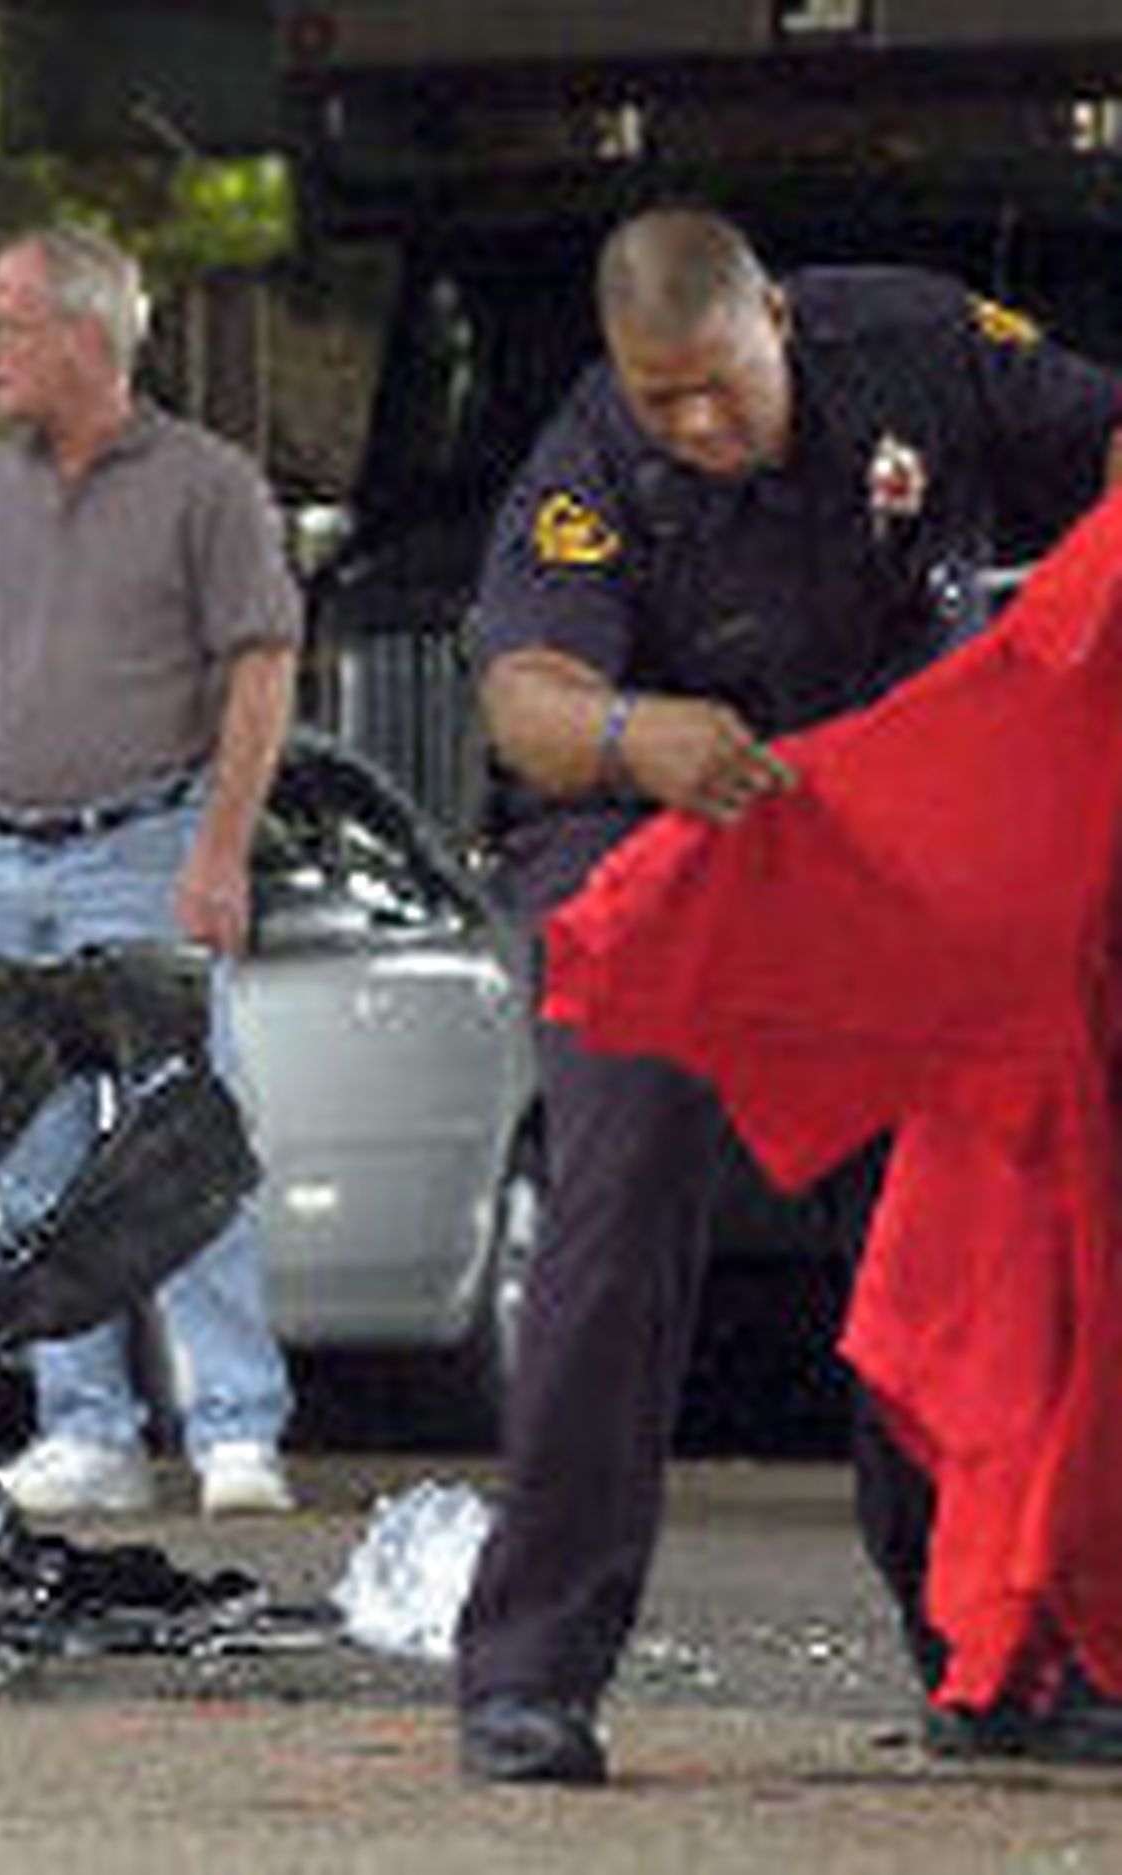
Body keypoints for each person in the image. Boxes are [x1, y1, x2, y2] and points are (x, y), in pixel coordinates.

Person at [458, 205, 1122, 1784]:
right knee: (614, 1214)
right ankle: (529, 1670)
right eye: (656, 396)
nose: (692, 423)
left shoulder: (918, 342)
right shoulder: (589, 467)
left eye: (715, 385)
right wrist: (638, 736)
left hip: (878, 845)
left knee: (964, 1217)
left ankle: (991, 1656)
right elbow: (524, 698)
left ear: (777, 313)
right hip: (659, 851)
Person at [0, 225, 300, 1520]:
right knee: (28, 1160)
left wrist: (220, 849)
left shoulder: (209, 483)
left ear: (86, 334)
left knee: (184, 1140)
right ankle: (87, 1428)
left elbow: (262, 663)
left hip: (146, 852)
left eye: (1, 323)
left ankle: (235, 1426)